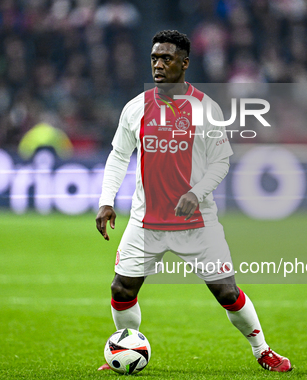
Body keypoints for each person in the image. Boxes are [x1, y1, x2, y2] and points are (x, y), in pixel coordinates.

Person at [95, 30, 292, 372]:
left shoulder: (205, 108)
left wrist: (195, 193)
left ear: (184, 63)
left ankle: (263, 351)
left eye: (167, 58)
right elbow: (118, 156)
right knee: (122, 287)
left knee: (227, 292)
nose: (158, 65)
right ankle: (126, 349)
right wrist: (106, 200)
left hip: (197, 223)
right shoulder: (135, 108)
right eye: (155, 58)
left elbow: (220, 162)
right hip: (145, 223)